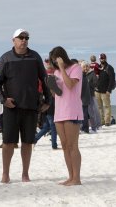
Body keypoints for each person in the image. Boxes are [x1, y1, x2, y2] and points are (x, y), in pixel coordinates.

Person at [0, 28, 51, 184]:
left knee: (27, 142)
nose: (24, 40)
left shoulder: (35, 56)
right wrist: (3, 100)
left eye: (26, 38)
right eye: (21, 37)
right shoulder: (5, 58)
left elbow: (44, 79)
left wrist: (48, 101)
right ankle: (5, 174)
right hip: (11, 107)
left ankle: (25, 173)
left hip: (31, 106)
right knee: (8, 142)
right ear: (14, 40)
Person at [49, 46, 83, 186]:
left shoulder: (76, 68)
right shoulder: (56, 71)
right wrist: (51, 86)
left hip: (72, 111)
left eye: (56, 59)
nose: (55, 63)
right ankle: (71, 176)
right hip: (59, 112)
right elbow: (57, 94)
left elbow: (70, 85)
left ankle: (77, 178)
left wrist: (62, 68)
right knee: (64, 145)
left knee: (72, 145)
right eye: (53, 61)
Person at [95, 53, 114, 126]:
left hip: (105, 91)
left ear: (105, 58)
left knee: (107, 106)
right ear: (99, 59)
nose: (102, 59)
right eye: (101, 58)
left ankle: (107, 122)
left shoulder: (109, 68)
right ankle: (101, 121)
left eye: (103, 58)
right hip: (97, 91)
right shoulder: (97, 67)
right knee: (99, 107)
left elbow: (112, 80)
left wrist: (109, 90)